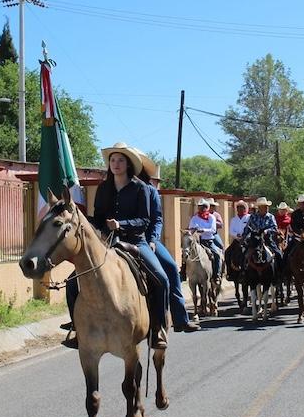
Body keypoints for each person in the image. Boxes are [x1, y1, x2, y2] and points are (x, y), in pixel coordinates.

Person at [91, 142, 173, 347]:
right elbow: (99, 217)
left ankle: (158, 329)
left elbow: (145, 221)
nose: (115, 164)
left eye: (120, 160)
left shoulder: (141, 188)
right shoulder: (103, 188)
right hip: (108, 243)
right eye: (112, 160)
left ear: (128, 165)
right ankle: (78, 329)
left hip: (136, 242)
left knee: (162, 279)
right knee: (74, 282)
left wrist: (121, 224)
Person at [137, 154, 200, 334]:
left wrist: (152, 239)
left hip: (147, 239)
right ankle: (79, 325)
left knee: (171, 268)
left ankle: (180, 318)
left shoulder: (150, 190)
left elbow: (157, 219)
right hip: (115, 239)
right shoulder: (111, 188)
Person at [187, 199, 223, 291]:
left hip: (208, 241)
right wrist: (191, 231)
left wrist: (203, 230)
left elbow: (213, 230)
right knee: (186, 253)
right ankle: (183, 272)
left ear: (207, 208)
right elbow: (191, 227)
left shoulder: (211, 217)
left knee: (217, 254)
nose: (201, 209)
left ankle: (216, 275)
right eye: (200, 207)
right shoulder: (194, 218)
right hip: (198, 241)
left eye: (203, 207)